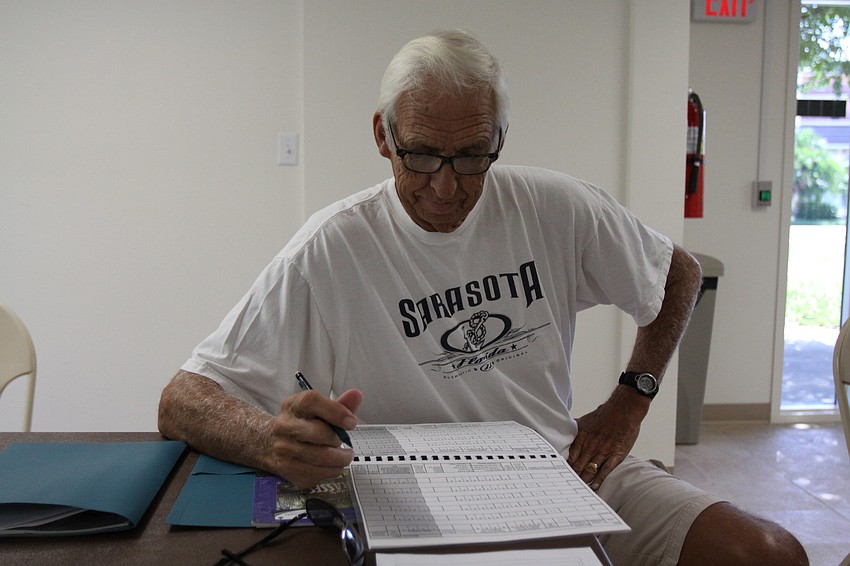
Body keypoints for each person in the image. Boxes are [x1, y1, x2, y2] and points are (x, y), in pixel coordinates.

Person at [159, 30, 808, 565]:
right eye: (420, 156)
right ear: (383, 136)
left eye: (471, 157)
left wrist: (629, 402)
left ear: (499, 141)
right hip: (408, 495)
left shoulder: (555, 206)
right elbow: (182, 400)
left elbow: (679, 274)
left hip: (563, 464)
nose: (446, 188)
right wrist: (271, 440)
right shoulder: (329, 249)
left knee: (767, 552)